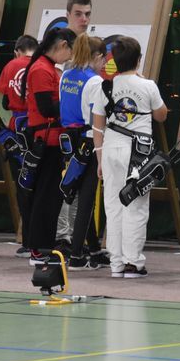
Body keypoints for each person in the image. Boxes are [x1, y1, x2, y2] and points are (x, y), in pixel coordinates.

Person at [91, 36, 167, 278]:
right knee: (136, 205)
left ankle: (116, 264)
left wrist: (99, 159)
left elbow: (97, 126)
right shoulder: (148, 85)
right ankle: (133, 263)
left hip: (110, 149)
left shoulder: (105, 86)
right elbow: (162, 115)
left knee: (113, 205)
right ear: (139, 59)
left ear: (114, 60)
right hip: (138, 153)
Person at [20, 27, 77, 265]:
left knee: (50, 195)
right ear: (63, 45)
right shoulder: (42, 69)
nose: (71, 57)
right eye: (71, 51)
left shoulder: (47, 67)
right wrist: (72, 103)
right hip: (46, 140)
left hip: (51, 140)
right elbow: (46, 109)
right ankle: (39, 249)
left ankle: (43, 246)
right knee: (45, 195)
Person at [59, 32, 110, 271]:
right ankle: (77, 255)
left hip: (69, 140)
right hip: (88, 141)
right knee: (87, 200)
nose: (105, 63)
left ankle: (94, 249)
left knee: (80, 195)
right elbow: (95, 117)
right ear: (97, 56)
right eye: (104, 58)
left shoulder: (67, 74)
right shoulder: (95, 81)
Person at [55, 0, 93, 251]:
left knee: (77, 186)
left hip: (83, 129)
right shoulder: (60, 45)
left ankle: (74, 238)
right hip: (64, 129)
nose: (84, 19)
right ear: (67, 14)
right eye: (78, 14)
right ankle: (61, 237)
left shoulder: (88, 46)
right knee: (65, 182)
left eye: (87, 14)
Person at [0, 34, 38, 257]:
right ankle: (42, 241)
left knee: (23, 185)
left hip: (18, 129)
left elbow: (3, 100)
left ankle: (29, 241)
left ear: (17, 51)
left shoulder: (11, 66)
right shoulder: (43, 65)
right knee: (41, 185)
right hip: (40, 130)